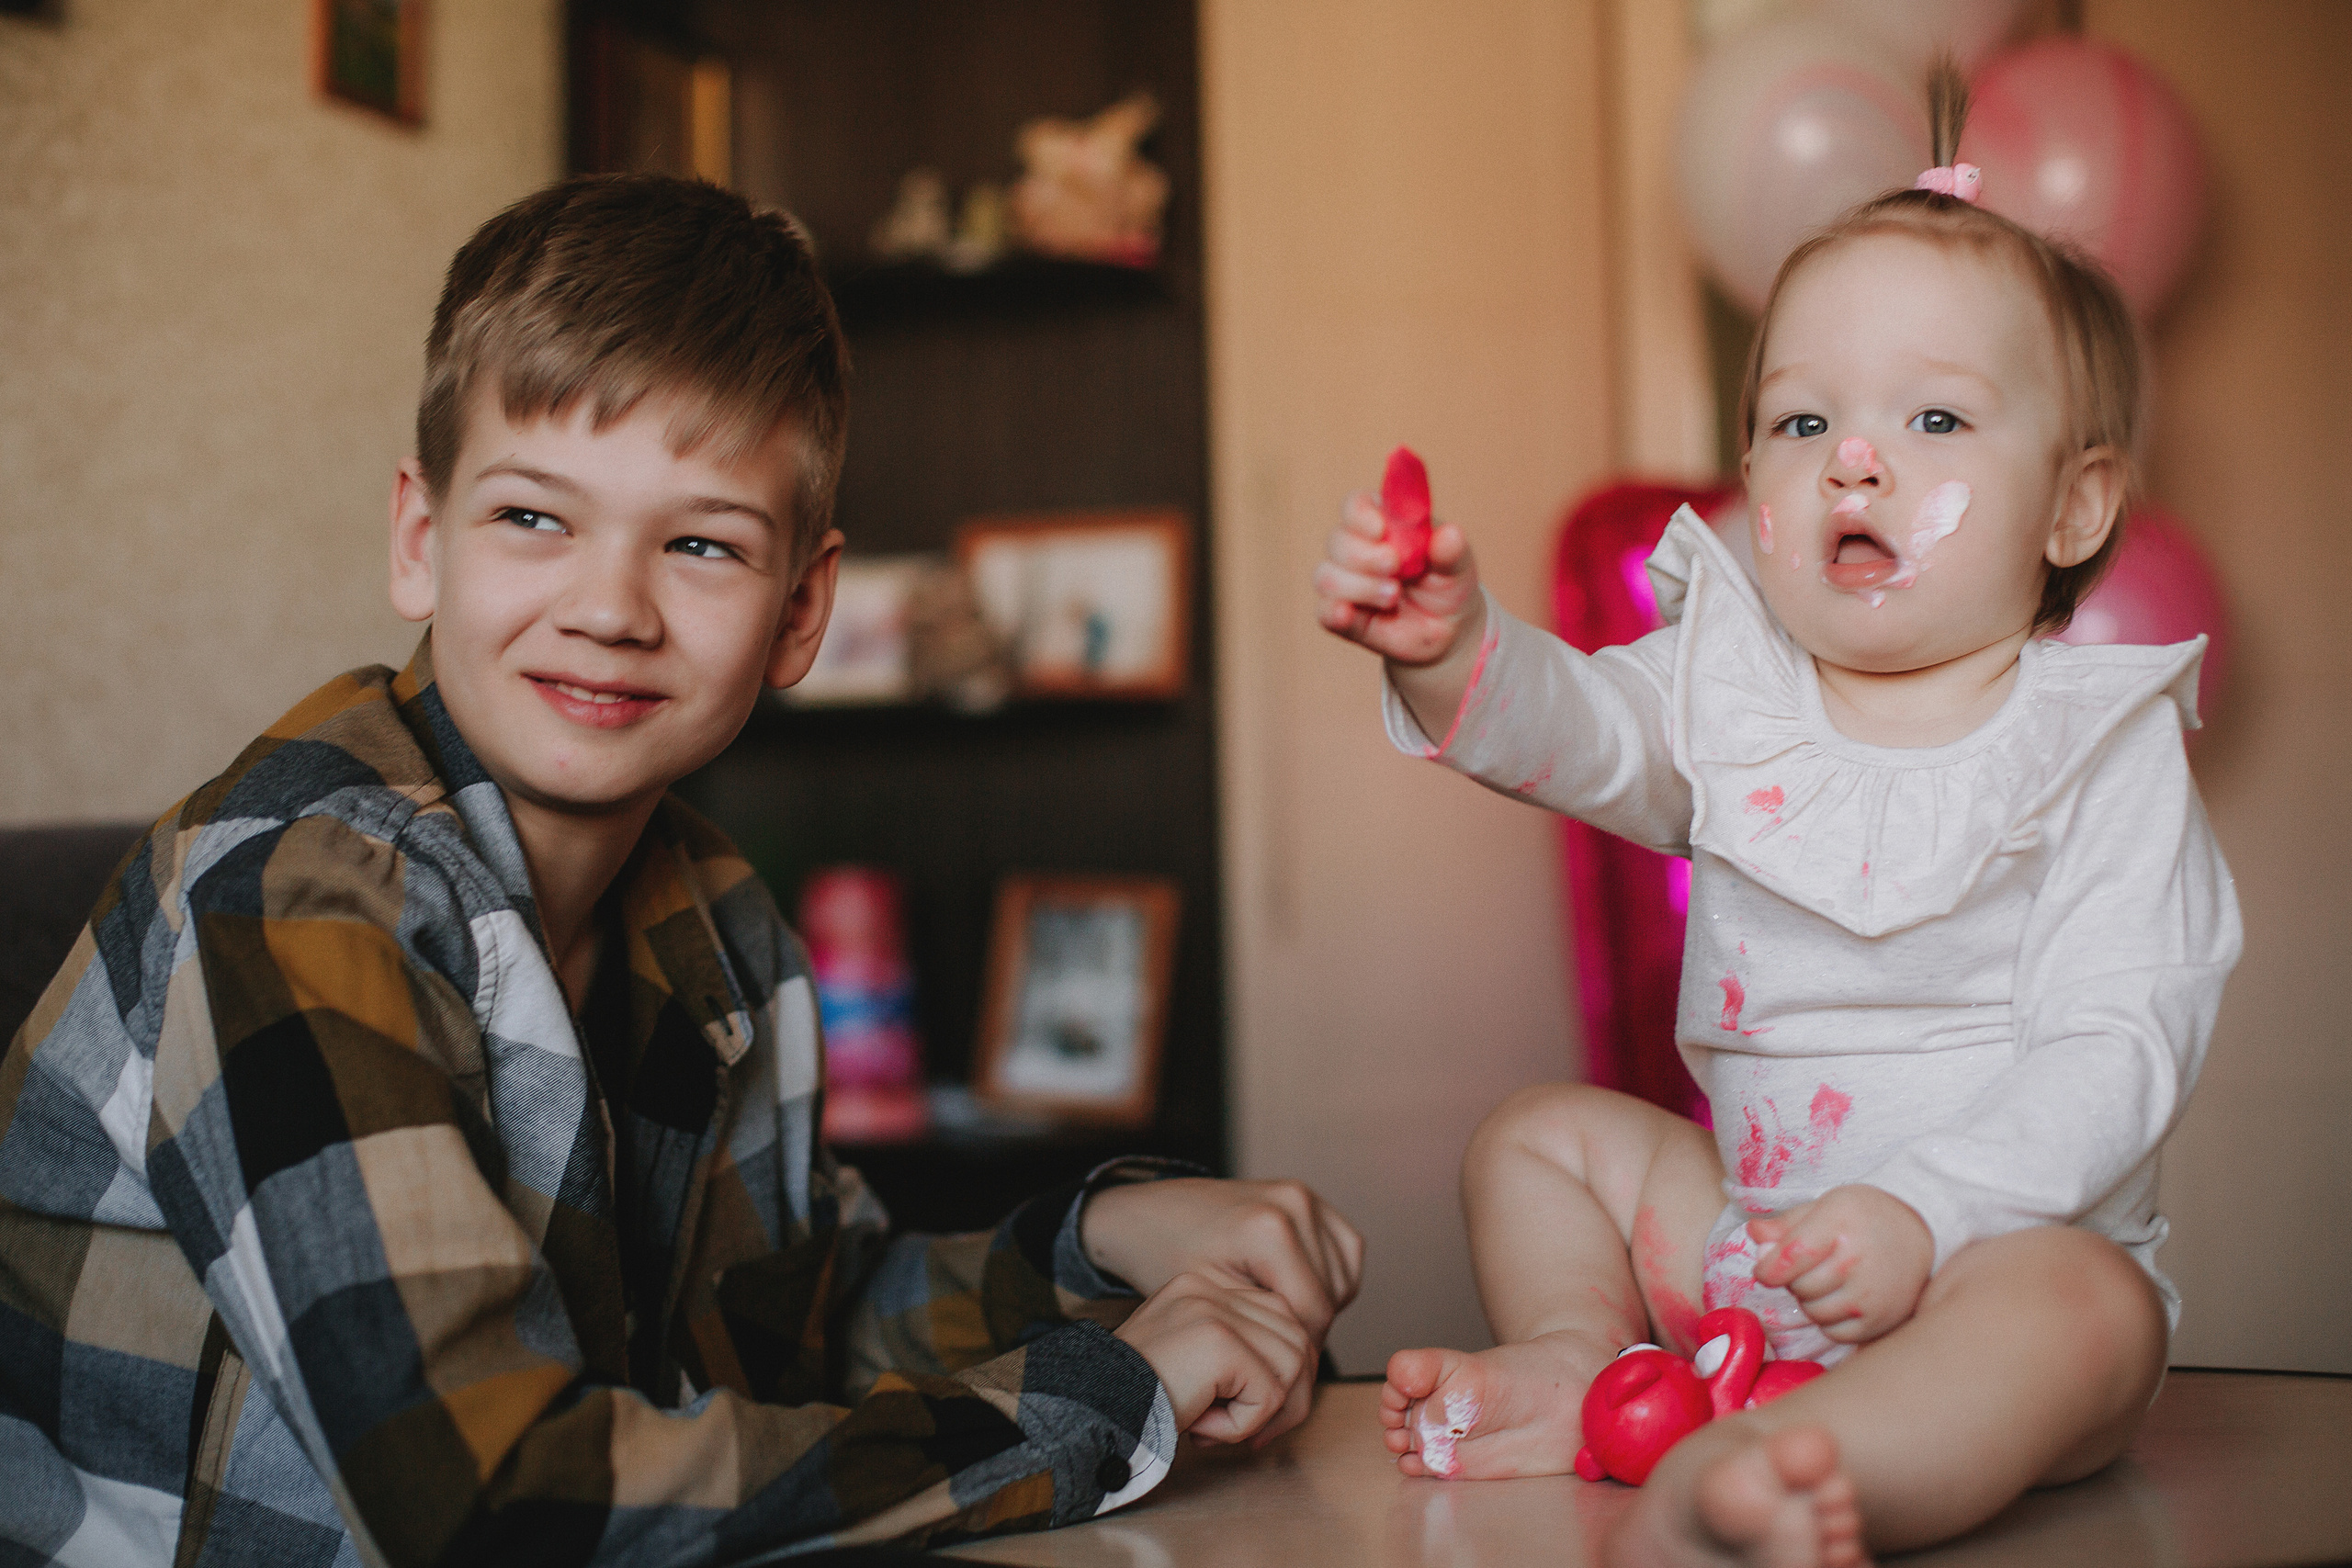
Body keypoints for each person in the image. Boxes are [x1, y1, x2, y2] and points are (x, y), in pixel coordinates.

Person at [0, 174, 1363, 1567]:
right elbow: (492, 1503)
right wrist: (1107, 1401)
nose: (608, 609)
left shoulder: (720, 921)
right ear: (422, 540)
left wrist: (1099, 1238)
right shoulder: (294, 892)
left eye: (702, 544)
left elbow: (800, 1326)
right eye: (536, 518)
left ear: (802, 612)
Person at [1311, 66, 2237, 1568]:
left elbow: (2116, 1051)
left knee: (2095, 1314)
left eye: (1936, 416)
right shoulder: (1729, 692)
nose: (1855, 459)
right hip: (1747, 1249)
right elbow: (1588, 733)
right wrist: (1455, 650)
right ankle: (1585, 1359)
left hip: (1977, 1266)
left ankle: (1817, 1460)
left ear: (2075, 508)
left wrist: (1925, 1217)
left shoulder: (2098, 751)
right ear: (1752, 478)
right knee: (1539, 1140)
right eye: (1803, 420)